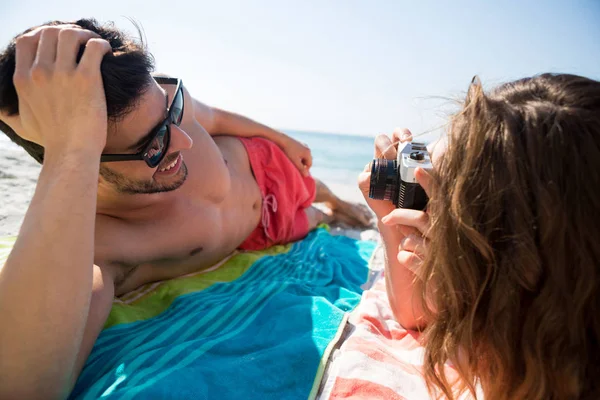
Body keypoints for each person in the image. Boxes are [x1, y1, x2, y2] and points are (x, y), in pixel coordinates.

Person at [0, 19, 371, 398]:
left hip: (260, 165)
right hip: (261, 230)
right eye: (152, 145)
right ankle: (329, 212)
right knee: (315, 219)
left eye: (171, 115)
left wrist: (282, 139)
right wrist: (71, 149)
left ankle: (336, 200)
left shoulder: (162, 99)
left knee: (313, 187)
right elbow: (24, 386)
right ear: (82, 161)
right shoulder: (101, 246)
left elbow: (218, 119)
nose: (184, 141)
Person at [358, 74, 600, 399]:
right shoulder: (509, 308)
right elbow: (416, 314)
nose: (431, 214)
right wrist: (392, 219)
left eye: (440, 200)